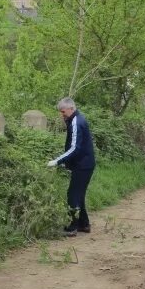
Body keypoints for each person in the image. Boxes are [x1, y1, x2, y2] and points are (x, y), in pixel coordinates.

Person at [47, 98, 95, 236]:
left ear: (71, 108)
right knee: (79, 195)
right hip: (85, 163)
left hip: (83, 165)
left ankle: (72, 227)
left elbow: (75, 148)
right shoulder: (77, 119)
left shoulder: (76, 122)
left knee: (73, 194)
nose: (62, 115)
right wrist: (66, 162)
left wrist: (57, 161)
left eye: (63, 112)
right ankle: (84, 224)